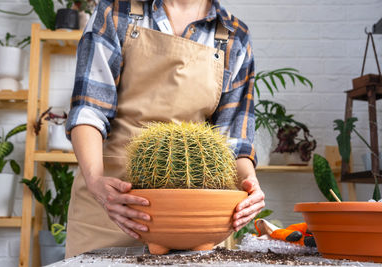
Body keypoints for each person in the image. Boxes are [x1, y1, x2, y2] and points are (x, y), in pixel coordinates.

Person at [65, 0, 265, 258]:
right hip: (111, 206)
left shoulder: (233, 34)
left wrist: (251, 187)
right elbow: (89, 108)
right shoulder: (116, 11)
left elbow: (234, 141)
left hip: (193, 220)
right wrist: (96, 181)